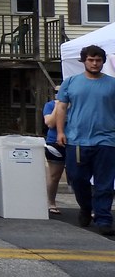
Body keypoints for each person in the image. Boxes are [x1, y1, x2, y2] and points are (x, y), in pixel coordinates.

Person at [56, 44, 115, 235]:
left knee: (104, 183)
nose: (95, 63)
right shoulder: (71, 82)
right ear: (84, 61)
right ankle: (85, 207)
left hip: (107, 140)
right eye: (91, 59)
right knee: (77, 178)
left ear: (103, 62)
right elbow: (62, 108)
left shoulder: (112, 84)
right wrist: (60, 132)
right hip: (77, 140)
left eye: (98, 60)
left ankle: (104, 218)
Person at [42, 85, 65, 215]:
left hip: (74, 141)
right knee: (54, 175)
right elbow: (50, 123)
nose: (58, 94)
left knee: (79, 175)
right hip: (54, 142)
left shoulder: (76, 105)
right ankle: (51, 202)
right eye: (57, 92)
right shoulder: (50, 105)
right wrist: (58, 106)